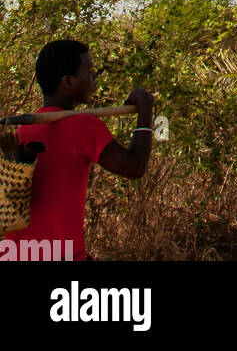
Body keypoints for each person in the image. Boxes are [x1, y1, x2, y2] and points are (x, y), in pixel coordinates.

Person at [2, 39, 154, 261]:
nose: (93, 78)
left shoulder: (25, 130)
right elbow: (134, 166)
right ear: (68, 81)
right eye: (89, 72)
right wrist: (146, 111)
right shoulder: (84, 126)